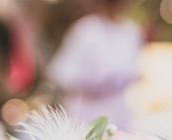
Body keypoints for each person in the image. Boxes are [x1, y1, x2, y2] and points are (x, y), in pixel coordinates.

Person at [47, 0, 142, 128]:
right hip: (85, 113)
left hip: (118, 113)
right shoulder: (85, 30)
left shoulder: (130, 31)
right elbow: (61, 71)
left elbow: (133, 66)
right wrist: (89, 82)